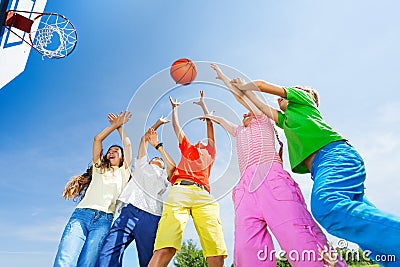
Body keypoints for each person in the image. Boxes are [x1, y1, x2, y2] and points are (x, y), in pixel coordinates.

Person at [233, 77, 400, 266]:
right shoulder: (286, 121)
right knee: (363, 231)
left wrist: (243, 85)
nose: (280, 101)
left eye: (285, 97)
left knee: (328, 206)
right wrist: (238, 91)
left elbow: (261, 85)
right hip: (323, 167)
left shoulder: (303, 100)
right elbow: (260, 107)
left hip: (334, 156)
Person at [200, 64, 346, 267]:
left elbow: (241, 97)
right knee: (246, 249)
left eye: (247, 112)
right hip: (245, 190)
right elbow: (220, 120)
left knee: (299, 239)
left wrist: (223, 77)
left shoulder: (262, 119)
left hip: (270, 178)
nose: (244, 114)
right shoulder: (239, 131)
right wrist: (206, 112)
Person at [147, 91, 228, 267]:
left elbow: (209, 123)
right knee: (166, 246)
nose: (201, 141)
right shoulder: (189, 148)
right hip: (180, 190)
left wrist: (203, 104)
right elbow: (177, 128)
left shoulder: (210, 152)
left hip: (203, 195)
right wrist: (174, 109)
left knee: (216, 251)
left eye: (205, 141)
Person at [53, 111, 132, 267]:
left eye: (116, 151)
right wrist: (114, 125)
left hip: (104, 221)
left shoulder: (124, 172)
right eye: (110, 151)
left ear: (122, 158)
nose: (112, 152)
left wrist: (120, 127)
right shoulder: (98, 168)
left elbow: (128, 145)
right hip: (81, 216)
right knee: (65, 260)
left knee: (87, 263)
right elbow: (98, 139)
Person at [96, 117, 176, 267]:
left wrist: (158, 147)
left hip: (151, 217)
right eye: (155, 158)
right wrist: (157, 123)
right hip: (129, 211)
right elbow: (144, 139)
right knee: (107, 253)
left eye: (160, 159)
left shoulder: (164, 175)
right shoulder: (141, 166)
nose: (157, 158)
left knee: (149, 261)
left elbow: (172, 166)